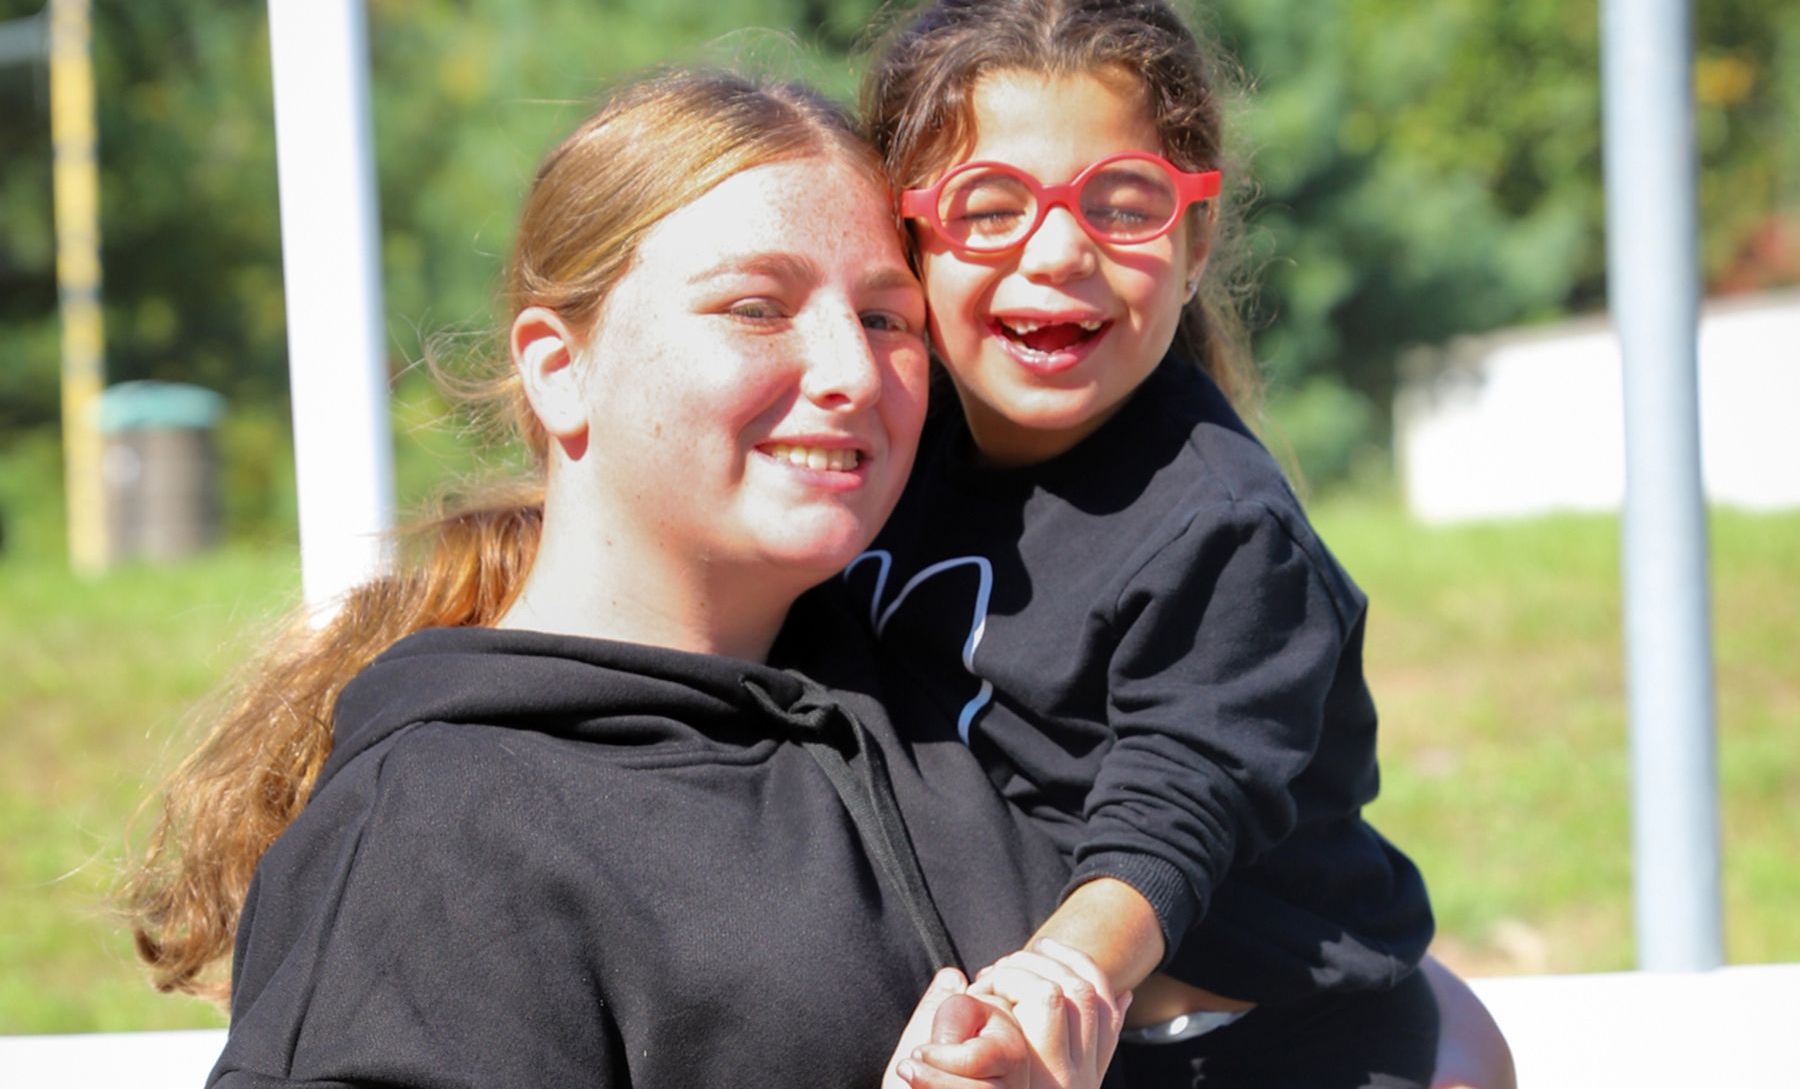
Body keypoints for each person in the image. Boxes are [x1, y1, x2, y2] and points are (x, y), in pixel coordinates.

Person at [124, 70, 1125, 1089]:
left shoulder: (954, 706)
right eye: (755, 305)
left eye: (884, 319)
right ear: (560, 368)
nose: (853, 372)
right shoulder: (438, 826)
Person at [854, 0, 1515, 1088]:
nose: (1058, 251)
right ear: (905, 239)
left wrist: (1063, 976)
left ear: (1196, 239)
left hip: (1264, 1052)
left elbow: (1177, 801)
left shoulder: (1224, 528)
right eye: (990, 206)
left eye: (1121, 201)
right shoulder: (873, 450)